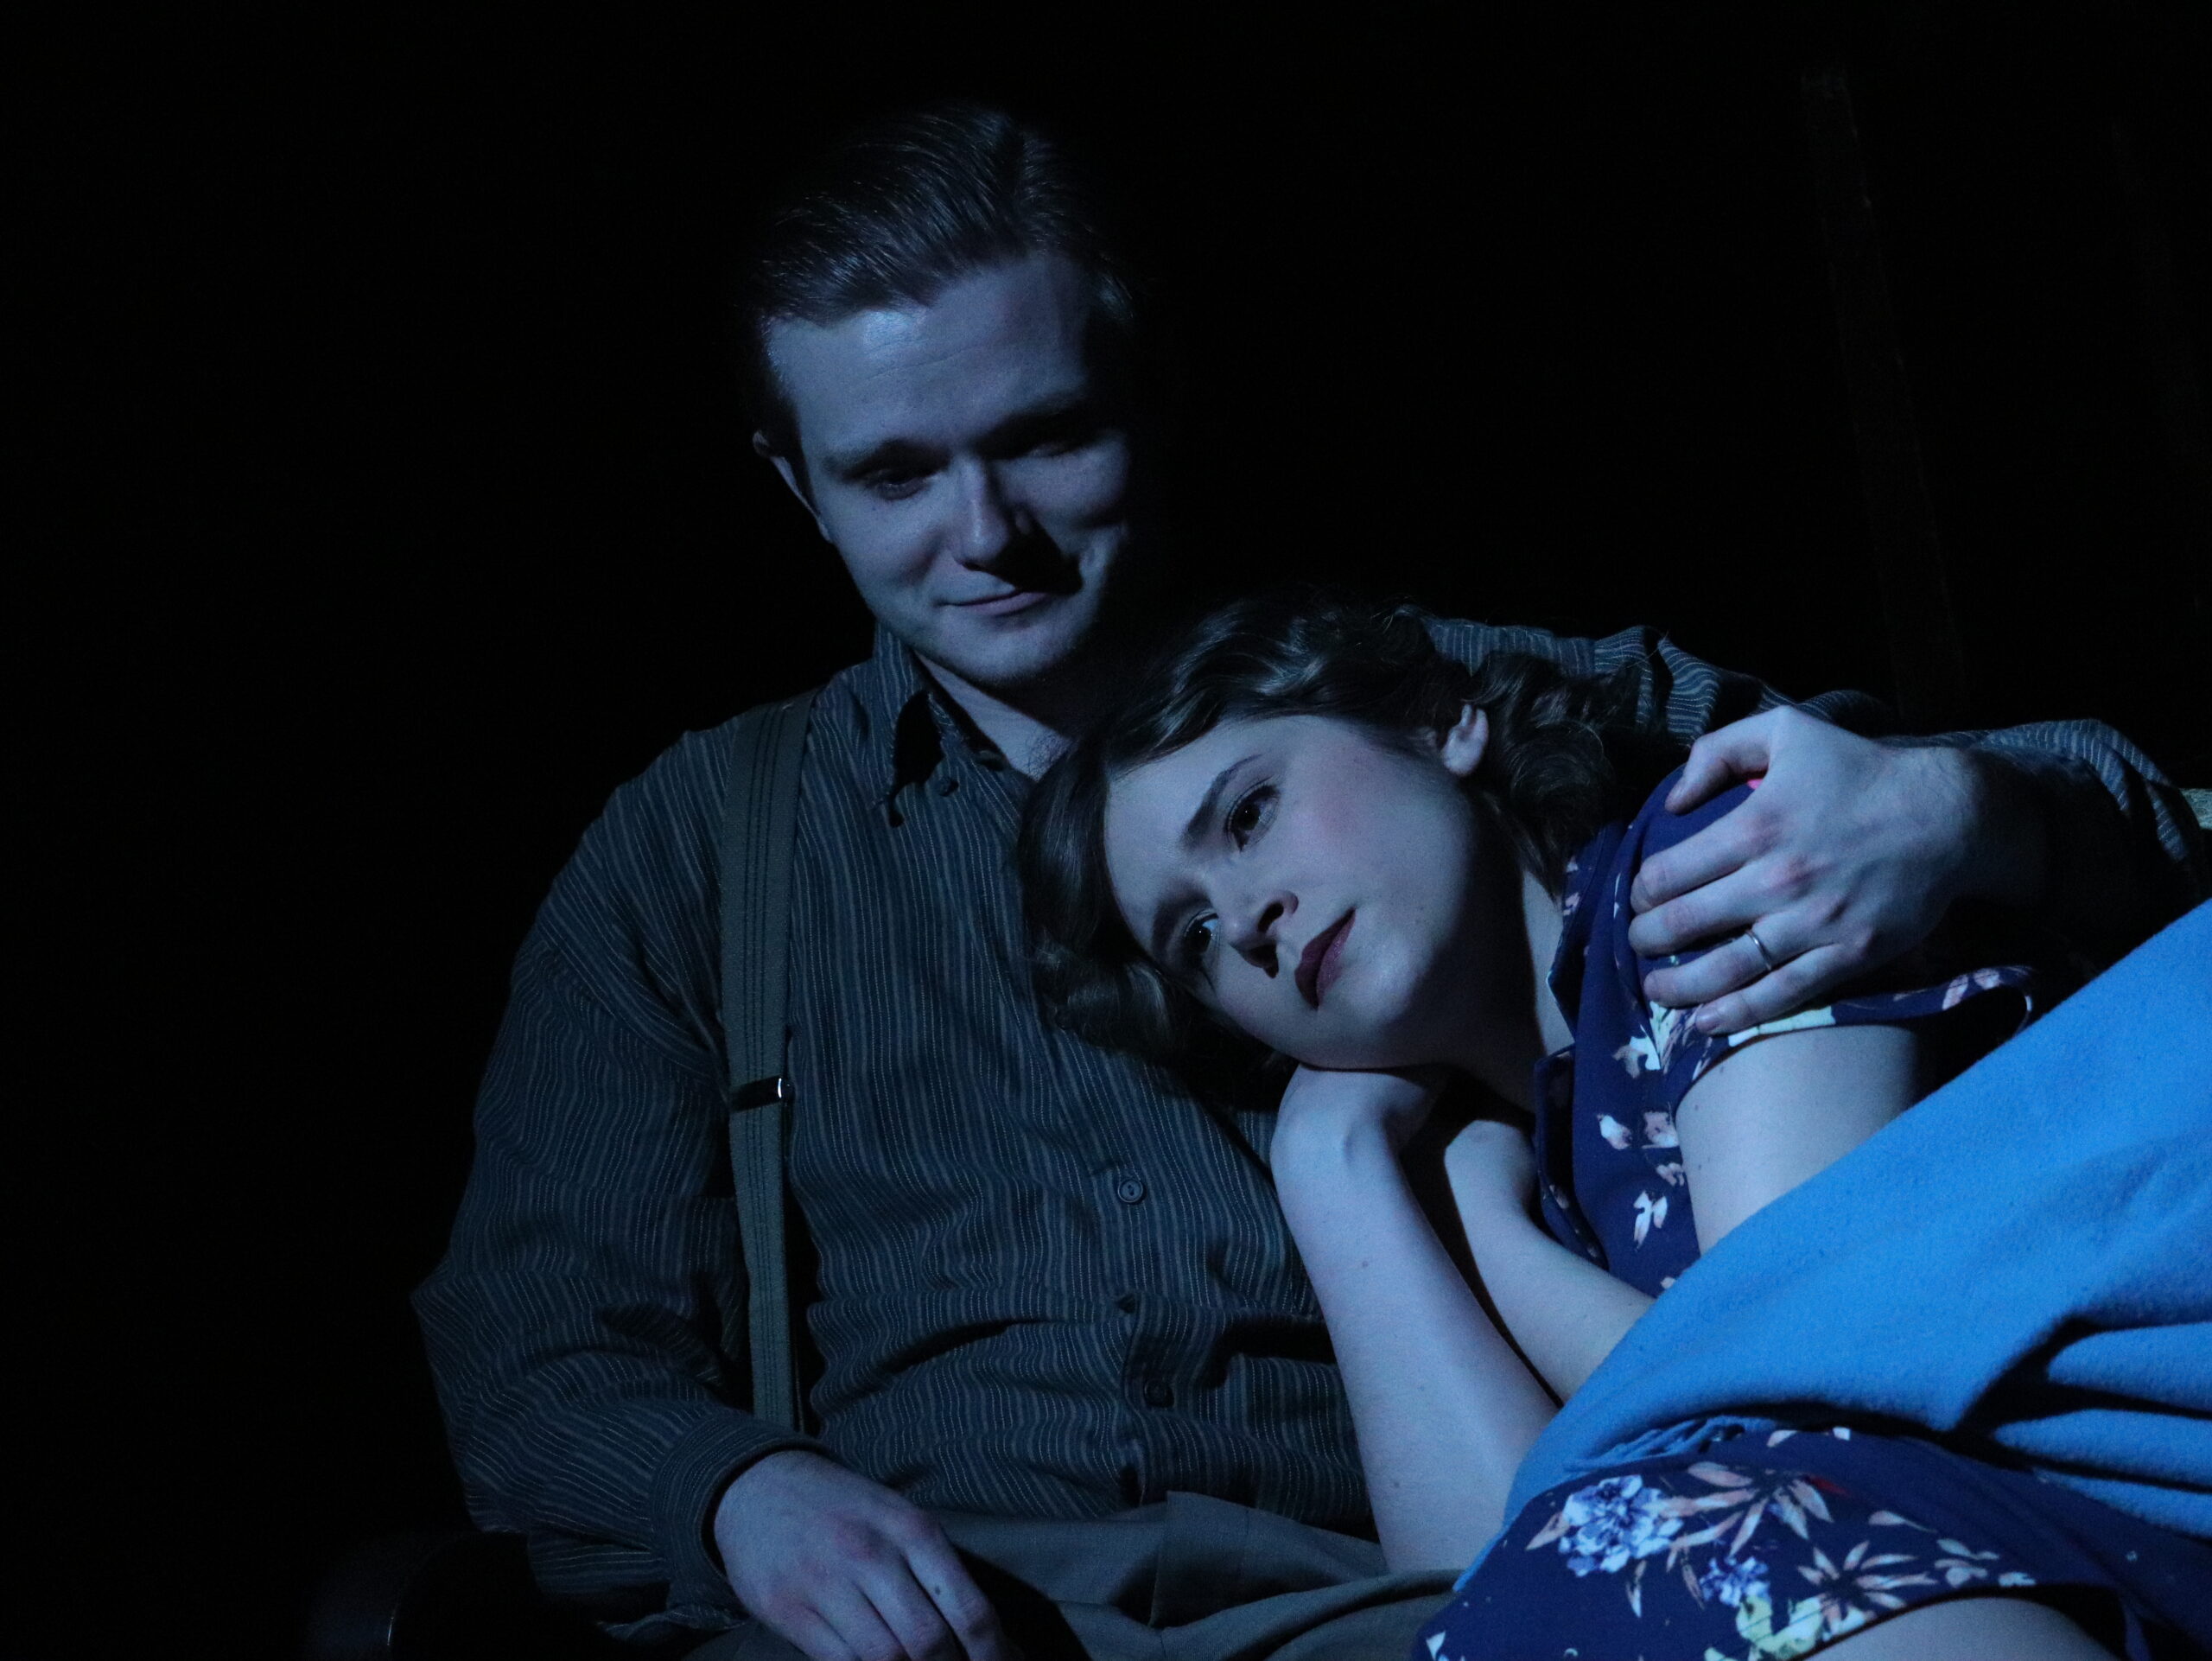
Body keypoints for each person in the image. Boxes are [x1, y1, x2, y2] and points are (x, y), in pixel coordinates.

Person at [414, 103, 2208, 1661]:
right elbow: (536, 1348)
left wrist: (1967, 807)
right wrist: (736, 1491)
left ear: (1148, 390)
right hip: (937, 1616)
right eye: (894, 473)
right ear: (797, 487)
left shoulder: (1393, 702)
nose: (984, 534)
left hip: (1411, 1595)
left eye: (1042, 436)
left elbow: (1995, 822)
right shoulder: (699, 855)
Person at [1018, 589, 2212, 1659]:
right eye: (1195, 940)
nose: (1246, 920)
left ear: (1437, 723)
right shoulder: (1537, 1158)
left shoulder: (1715, 867)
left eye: (1249, 815)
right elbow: (1467, 1588)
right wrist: (1336, 1174)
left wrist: (1487, 1233)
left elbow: (1802, 1403)